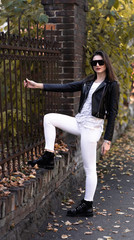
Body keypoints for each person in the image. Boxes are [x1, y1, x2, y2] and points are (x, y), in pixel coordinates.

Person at [24, 50, 119, 217]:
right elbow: (66, 87)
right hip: (79, 122)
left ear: (106, 64)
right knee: (49, 118)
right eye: (94, 63)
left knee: (90, 168)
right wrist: (37, 85)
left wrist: (107, 140)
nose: (97, 65)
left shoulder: (112, 85)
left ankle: (87, 205)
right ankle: (48, 156)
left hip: (92, 128)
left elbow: (112, 113)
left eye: (100, 62)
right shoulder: (88, 81)